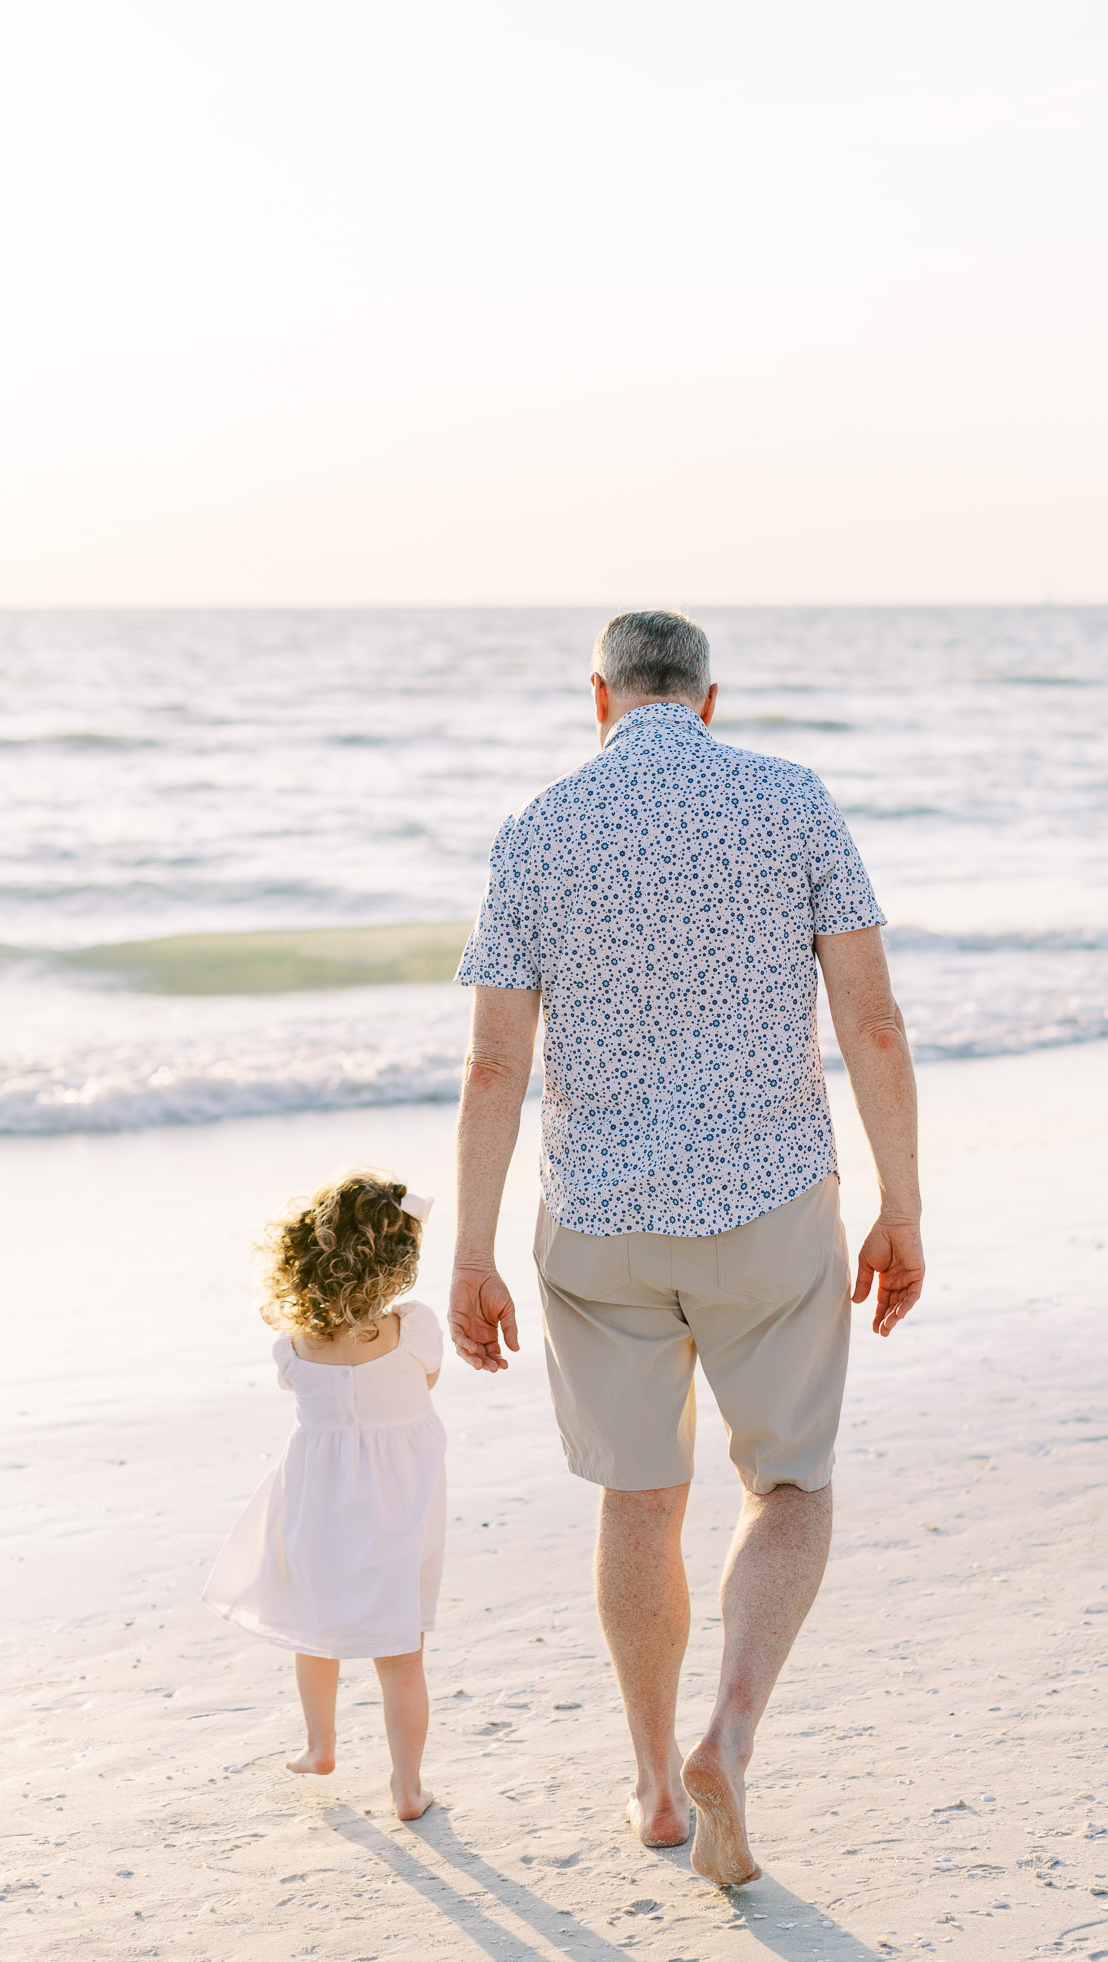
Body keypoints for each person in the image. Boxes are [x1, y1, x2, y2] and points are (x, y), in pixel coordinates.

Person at [449, 609, 924, 1886]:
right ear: (709, 700)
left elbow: (497, 1062)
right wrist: (902, 1206)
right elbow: (871, 1024)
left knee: (640, 1498)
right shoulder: (793, 801)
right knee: (791, 1488)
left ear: (596, 697)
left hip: (598, 1224)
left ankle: (659, 1787)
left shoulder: (539, 826)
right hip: (769, 1205)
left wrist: (471, 1255)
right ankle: (734, 1731)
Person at [202, 1170, 446, 1821]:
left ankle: (320, 1746)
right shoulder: (414, 1328)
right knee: (401, 1658)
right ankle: (407, 1789)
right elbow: (428, 1378)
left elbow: (310, 1394)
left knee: (314, 1631)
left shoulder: (294, 1346)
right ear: (398, 1263)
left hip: (317, 1509)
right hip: (398, 1511)